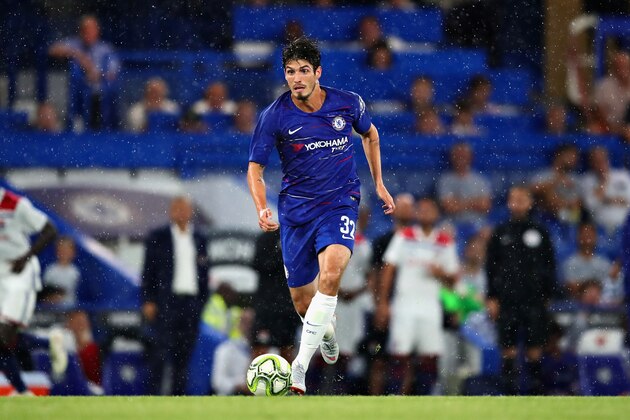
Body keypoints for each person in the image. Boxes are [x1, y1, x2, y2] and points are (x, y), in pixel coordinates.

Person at [246, 37, 395, 395]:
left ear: (318, 73)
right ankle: (324, 333)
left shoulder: (348, 104)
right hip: (297, 213)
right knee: (303, 301)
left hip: (340, 203)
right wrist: (261, 207)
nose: (296, 78)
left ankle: (298, 367)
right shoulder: (274, 116)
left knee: (331, 275)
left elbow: (370, 134)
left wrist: (378, 183)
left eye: (303, 71)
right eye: (290, 71)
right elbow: (255, 169)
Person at [376, 197, 459, 395]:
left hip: (431, 307)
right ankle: (395, 397)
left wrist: (441, 274)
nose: (425, 213)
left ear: (437, 214)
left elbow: (453, 279)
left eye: (429, 209)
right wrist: (383, 303)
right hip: (404, 305)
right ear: (416, 214)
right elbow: (388, 268)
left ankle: (424, 399)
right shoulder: (404, 236)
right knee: (399, 354)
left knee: (430, 356)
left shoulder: (444, 241)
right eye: (421, 210)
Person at [485, 186, 556, 395]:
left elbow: (549, 266)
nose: (517, 202)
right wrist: (492, 297)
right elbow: (491, 268)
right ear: (508, 202)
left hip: (534, 299)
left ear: (530, 202)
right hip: (507, 299)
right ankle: (508, 393)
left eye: (521, 198)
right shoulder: (500, 232)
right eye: (513, 198)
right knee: (508, 349)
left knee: (535, 348)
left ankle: (536, 393)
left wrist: (547, 295)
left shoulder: (540, 232)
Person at [141, 196, 210, 395]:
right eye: (177, 208)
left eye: (185, 208)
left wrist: (201, 302)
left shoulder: (199, 237)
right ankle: (153, 398)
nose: (181, 212)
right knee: (160, 354)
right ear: (171, 211)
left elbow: (204, 273)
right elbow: (148, 272)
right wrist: (148, 300)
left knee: (184, 356)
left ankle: (178, 398)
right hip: (166, 303)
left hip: (191, 304)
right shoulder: (158, 237)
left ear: (191, 212)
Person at [0, 187, 64, 395]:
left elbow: (50, 230)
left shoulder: (16, 204)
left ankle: (21, 390)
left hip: (20, 275)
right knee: (4, 339)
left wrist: (25, 257)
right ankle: (48, 344)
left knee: (3, 336)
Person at [365, 192, 415, 395]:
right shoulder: (382, 241)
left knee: (406, 357)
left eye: (408, 207)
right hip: (387, 304)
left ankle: (402, 402)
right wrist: (380, 305)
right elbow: (374, 275)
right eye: (401, 206)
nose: (405, 210)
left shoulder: (417, 241)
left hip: (410, 305)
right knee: (379, 356)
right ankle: (374, 401)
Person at [48, 15, 120, 131]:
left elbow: (112, 73)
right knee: (74, 77)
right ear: (80, 31)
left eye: (91, 29)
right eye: (85, 29)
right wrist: (78, 55)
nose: (88, 32)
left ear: (97, 31)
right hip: (77, 89)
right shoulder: (75, 44)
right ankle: (74, 125)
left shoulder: (105, 49)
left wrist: (97, 74)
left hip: (99, 92)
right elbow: (53, 49)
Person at [251, 229, 300, 362]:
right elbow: (257, 264)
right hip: (266, 306)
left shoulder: (299, 237)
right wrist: (281, 255)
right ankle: (258, 382)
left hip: (289, 307)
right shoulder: (267, 237)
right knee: (260, 351)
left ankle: (285, 382)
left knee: (287, 351)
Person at [437, 142, 492, 227]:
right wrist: (474, 202)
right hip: (451, 222)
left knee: (486, 232)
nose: (461, 158)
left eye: (464, 155)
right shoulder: (445, 180)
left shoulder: (480, 180)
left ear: (471, 157)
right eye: (457, 155)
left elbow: (485, 206)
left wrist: (458, 203)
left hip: (477, 222)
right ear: (452, 157)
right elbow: (448, 207)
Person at [562, 222, 619, 302]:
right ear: (578, 237)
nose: (587, 237)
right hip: (577, 306)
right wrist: (592, 288)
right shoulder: (570, 263)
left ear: (596, 237)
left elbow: (609, 287)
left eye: (590, 234)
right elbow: (572, 288)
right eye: (584, 234)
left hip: (601, 306)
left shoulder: (604, 263)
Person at [581, 146, 630, 234]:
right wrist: (603, 183)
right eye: (596, 160)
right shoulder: (587, 180)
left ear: (607, 159)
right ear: (591, 163)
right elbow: (589, 205)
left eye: (602, 159)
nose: (600, 163)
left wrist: (605, 200)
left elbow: (628, 201)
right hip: (599, 228)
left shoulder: (623, 176)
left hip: (625, 227)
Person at [530, 143, 582, 224]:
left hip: (572, 214)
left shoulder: (574, 178)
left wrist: (565, 203)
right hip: (546, 214)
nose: (573, 160)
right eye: (570, 156)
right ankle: (562, 215)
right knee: (547, 191)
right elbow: (531, 190)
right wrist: (557, 181)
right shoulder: (544, 174)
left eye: (575, 157)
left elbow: (579, 200)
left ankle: (566, 218)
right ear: (559, 155)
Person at [593, 50, 630, 132]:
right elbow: (599, 114)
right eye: (619, 66)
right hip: (609, 127)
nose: (622, 70)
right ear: (614, 68)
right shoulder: (604, 86)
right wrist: (619, 130)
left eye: (625, 66)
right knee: (593, 129)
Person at [42, 236, 80, 306]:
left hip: (69, 307)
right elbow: (45, 291)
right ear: (57, 252)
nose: (64, 253)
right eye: (61, 250)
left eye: (66, 250)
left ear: (73, 253)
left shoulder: (76, 271)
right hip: (51, 307)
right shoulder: (50, 269)